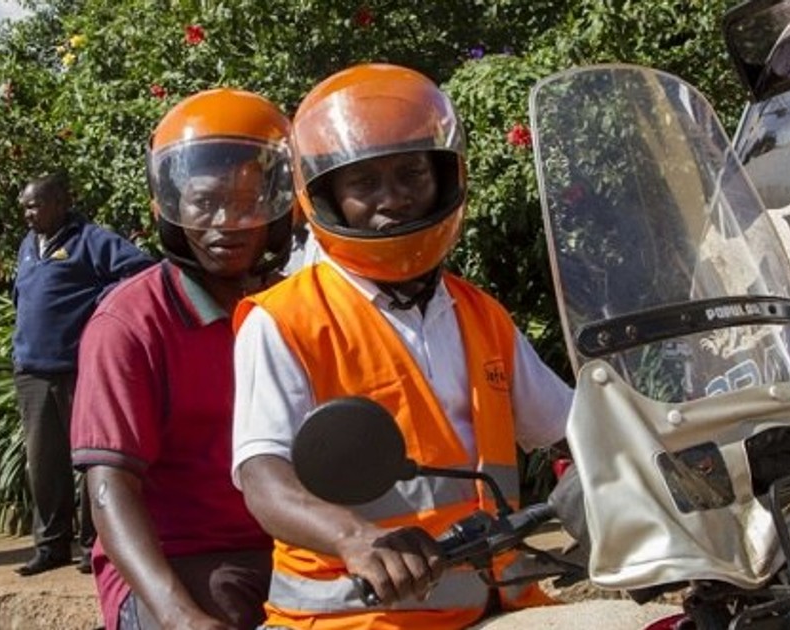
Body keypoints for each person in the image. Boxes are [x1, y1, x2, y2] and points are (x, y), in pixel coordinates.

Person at [231, 63, 574, 629]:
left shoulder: (480, 314)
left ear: (444, 175)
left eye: (412, 172)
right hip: (353, 620)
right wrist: (355, 538)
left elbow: (572, 425)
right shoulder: (283, 320)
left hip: (497, 605)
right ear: (328, 196)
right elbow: (264, 479)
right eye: (363, 183)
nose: (392, 198)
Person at [70, 88, 295, 630]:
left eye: (248, 202)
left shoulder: (295, 308)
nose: (227, 221)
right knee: (225, 603)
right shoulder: (129, 324)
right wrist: (179, 616)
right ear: (170, 206)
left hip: (291, 552)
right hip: (175, 564)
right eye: (205, 202)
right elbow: (109, 486)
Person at [12, 171, 154, 576]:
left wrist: (99, 304)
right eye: (25, 207)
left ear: (60, 203)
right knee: (43, 463)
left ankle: (93, 546)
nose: (28, 214)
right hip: (33, 371)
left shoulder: (91, 240)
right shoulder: (28, 244)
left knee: (90, 460)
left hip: (80, 369)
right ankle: (51, 545)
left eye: (35, 205)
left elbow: (142, 270)